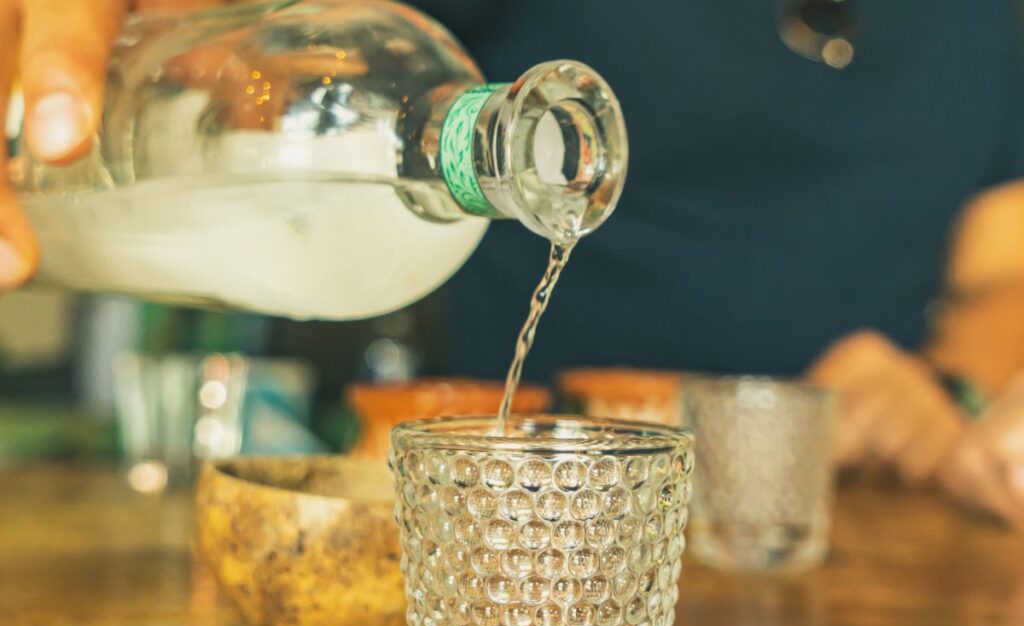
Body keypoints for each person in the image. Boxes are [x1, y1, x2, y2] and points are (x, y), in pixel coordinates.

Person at [2, 0, 1024, 526]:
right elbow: (277, 49)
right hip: (519, 525)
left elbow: (1005, 267)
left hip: (846, 524)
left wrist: (948, 388)